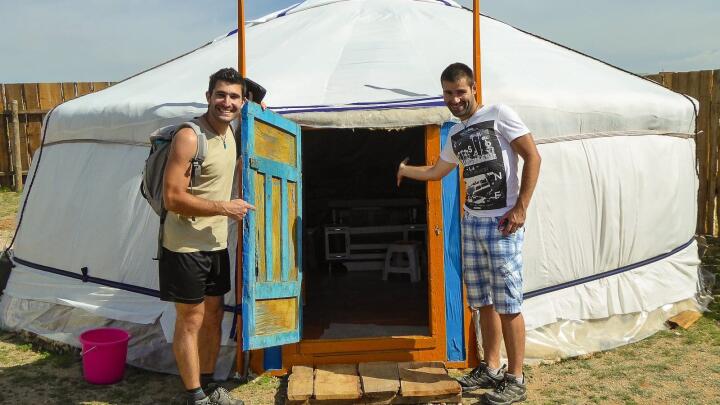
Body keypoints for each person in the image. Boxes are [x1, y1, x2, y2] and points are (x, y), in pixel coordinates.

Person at [396, 62, 541, 405]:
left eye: (461, 91)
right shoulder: (456, 134)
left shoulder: (499, 114)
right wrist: (404, 170)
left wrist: (521, 207)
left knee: (508, 302)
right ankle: (491, 368)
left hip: (502, 222)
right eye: (448, 93)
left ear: (474, 88)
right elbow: (436, 171)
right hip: (472, 222)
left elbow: (533, 157)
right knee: (482, 302)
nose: (455, 99)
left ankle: (515, 379)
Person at [161, 67, 255, 405]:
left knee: (214, 314)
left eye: (234, 96)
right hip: (185, 245)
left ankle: (209, 382)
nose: (226, 102)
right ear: (208, 97)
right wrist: (224, 208)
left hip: (216, 244)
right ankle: (195, 396)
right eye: (221, 95)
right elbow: (172, 198)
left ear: (243, 102)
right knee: (192, 319)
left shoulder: (232, 134)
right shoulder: (190, 136)